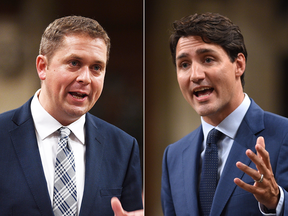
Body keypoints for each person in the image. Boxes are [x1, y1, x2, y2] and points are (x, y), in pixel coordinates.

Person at [0, 15, 143, 216]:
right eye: (74, 63)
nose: (85, 78)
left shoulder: (124, 148)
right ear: (43, 67)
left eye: (96, 68)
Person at [161, 12, 288, 216]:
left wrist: (278, 201)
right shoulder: (173, 156)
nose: (195, 75)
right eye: (184, 64)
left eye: (208, 59)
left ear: (239, 65)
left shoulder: (284, 135)